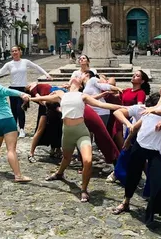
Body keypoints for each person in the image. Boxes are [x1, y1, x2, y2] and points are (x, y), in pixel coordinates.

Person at [30, 75, 126, 203]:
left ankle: (84, 189)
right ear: (69, 83)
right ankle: (59, 174)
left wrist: (125, 108)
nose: (76, 77)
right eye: (74, 76)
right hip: (67, 133)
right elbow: (43, 98)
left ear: (81, 85)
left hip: (81, 132)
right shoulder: (60, 94)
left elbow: (103, 105)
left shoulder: (83, 96)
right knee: (66, 158)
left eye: (79, 78)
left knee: (88, 160)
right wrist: (28, 97)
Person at [112, 85, 161, 237]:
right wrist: (129, 139)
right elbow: (138, 125)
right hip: (139, 146)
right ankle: (126, 202)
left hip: (155, 151)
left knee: (160, 184)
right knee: (132, 177)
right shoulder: (150, 107)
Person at [0, 46, 52, 138]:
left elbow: (36, 67)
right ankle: (14, 128)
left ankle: (22, 129)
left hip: (23, 89)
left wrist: (46, 74)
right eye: (12, 51)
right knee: (13, 110)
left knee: (21, 109)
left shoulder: (25, 62)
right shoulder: (9, 64)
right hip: (12, 89)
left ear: (20, 52)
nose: (14, 53)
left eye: (16, 51)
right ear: (11, 53)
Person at [24, 82, 64, 162]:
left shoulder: (38, 86)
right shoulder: (33, 89)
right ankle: (31, 153)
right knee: (40, 130)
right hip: (48, 107)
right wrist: (50, 102)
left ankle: (56, 149)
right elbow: (41, 100)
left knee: (57, 127)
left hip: (53, 105)